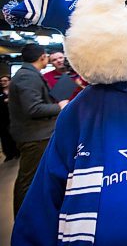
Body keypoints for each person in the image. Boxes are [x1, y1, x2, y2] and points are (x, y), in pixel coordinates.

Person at [9, 44, 68, 216]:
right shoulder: (27, 76)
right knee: (29, 180)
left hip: (36, 135)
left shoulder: (28, 74)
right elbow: (33, 109)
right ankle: (23, 218)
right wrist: (59, 106)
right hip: (34, 137)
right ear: (43, 57)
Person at [0, 75, 19, 162]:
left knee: (14, 135)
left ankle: (16, 152)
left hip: (13, 117)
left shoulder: (13, 91)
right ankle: (8, 154)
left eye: (5, 81)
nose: (3, 82)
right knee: (5, 137)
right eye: (1, 81)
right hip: (3, 118)